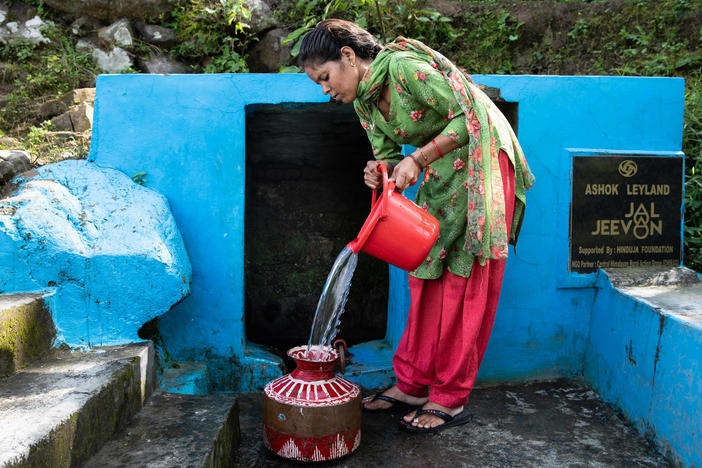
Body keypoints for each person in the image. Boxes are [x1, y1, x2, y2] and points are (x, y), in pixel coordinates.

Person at [299, 19, 535, 433]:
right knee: (426, 270)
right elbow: (390, 158)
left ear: (349, 57)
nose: (324, 89)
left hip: (483, 158)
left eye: (325, 76)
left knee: (464, 280)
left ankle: (451, 398)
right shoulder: (364, 103)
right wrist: (380, 170)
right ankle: (413, 384)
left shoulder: (404, 69)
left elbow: (472, 116)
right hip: (444, 162)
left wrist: (418, 159)